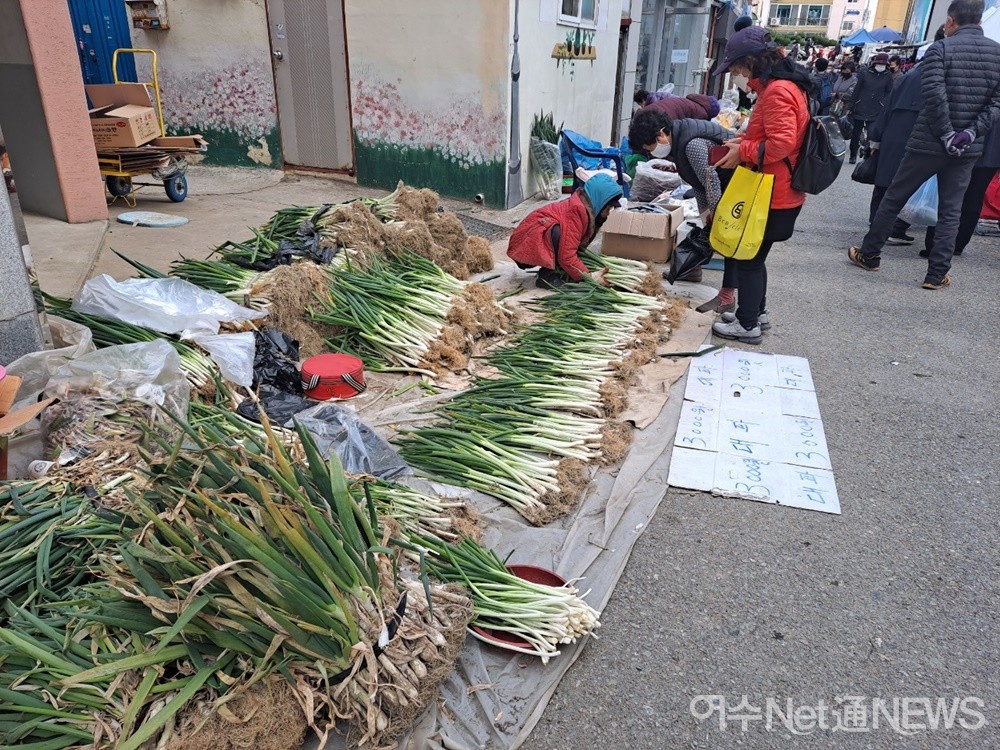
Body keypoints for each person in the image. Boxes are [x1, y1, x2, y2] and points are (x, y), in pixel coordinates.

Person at [848, 0, 1000, 290]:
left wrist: (945, 133)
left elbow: (933, 95)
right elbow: (996, 103)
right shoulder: (998, 54)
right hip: (968, 147)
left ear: (951, 21)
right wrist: (968, 133)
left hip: (928, 142)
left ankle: (870, 254)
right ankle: (936, 273)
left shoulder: (940, 49)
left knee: (894, 197)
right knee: (951, 210)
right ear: (980, 20)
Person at [709, 25, 811, 344]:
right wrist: (744, 139)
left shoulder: (778, 90)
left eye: (738, 67)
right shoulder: (780, 86)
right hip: (779, 188)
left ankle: (747, 324)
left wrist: (745, 151)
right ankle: (756, 312)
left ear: (753, 61)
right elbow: (772, 135)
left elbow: (781, 143)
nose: (737, 73)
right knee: (757, 255)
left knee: (748, 258)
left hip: (774, 191)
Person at [627, 108, 735, 290]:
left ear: (660, 134)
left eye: (649, 148)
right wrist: (705, 215)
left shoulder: (690, 144)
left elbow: (711, 180)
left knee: (731, 245)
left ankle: (728, 296)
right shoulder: (678, 142)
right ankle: (691, 269)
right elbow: (698, 184)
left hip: (738, 187)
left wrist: (716, 216)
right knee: (703, 231)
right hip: (724, 185)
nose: (652, 153)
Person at [867, 25, 949, 247]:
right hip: (921, 138)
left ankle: (877, 229)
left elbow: (887, 108)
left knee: (885, 186)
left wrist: (876, 138)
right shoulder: (944, 78)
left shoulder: (909, 76)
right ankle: (891, 230)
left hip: (895, 133)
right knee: (904, 187)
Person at [507, 173, 622, 289]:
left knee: (565, 241)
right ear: (599, 202)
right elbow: (566, 256)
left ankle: (555, 269)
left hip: (532, 240)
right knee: (559, 233)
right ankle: (547, 276)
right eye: (607, 209)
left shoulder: (586, 212)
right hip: (525, 244)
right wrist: (589, 277)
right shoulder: (576, 212)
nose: (607, 214)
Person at [921, 116, 1000, 257]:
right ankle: (958, 244)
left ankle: (935, 242)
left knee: (949, 194)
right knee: (975, 197)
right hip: (992, 152)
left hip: (965, 143)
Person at [847, 53, 895, 163]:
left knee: (872, 133)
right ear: (874, 63)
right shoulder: (865, 72)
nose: (881, 66)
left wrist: (883, 104)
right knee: (856, 133)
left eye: (883, 64)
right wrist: (851, 105)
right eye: (879, 63)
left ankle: (866, 154)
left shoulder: (888, 76)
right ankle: (853, 154)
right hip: (861, 106)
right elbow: (856, 90)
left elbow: (889, 93)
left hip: (876, 109)